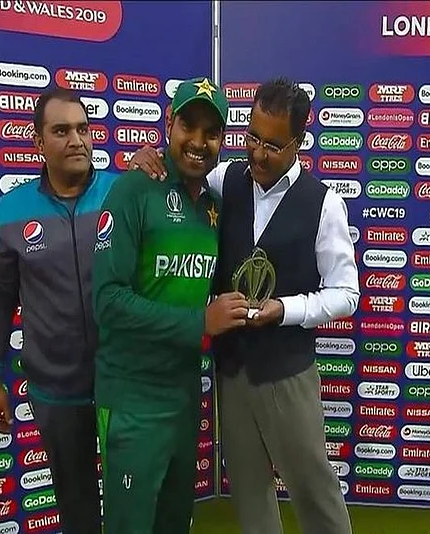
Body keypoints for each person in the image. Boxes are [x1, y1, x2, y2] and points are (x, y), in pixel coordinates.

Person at [129, 77, 359, 534]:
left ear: (299, 141)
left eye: (272, 145)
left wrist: (285, 309)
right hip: (231, 372)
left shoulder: (325, 204)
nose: (258, 153)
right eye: (252, 137)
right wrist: (144, 160)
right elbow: (179, 175)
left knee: (315, 492)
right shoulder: (224, 180)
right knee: (250, 494)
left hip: (287, 376)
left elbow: (346, 293)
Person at [92, 77, 248, 534]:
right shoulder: (133, 190)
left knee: (175, 523)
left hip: (184, 399)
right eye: (188, 126)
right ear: (169, 124)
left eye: (211, 132)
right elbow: (108, 300)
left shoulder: (214, 208)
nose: (198, 142)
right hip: (133, 400)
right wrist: (200, 322)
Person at [0, 87, 117, 534]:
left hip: (125, 385)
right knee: (77, 510)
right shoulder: (12, 209)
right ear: (38, 142)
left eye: (83, 129)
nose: (76, 140)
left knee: (133, 507)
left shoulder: (123, 192)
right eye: (61, 131)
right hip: (57, 393)